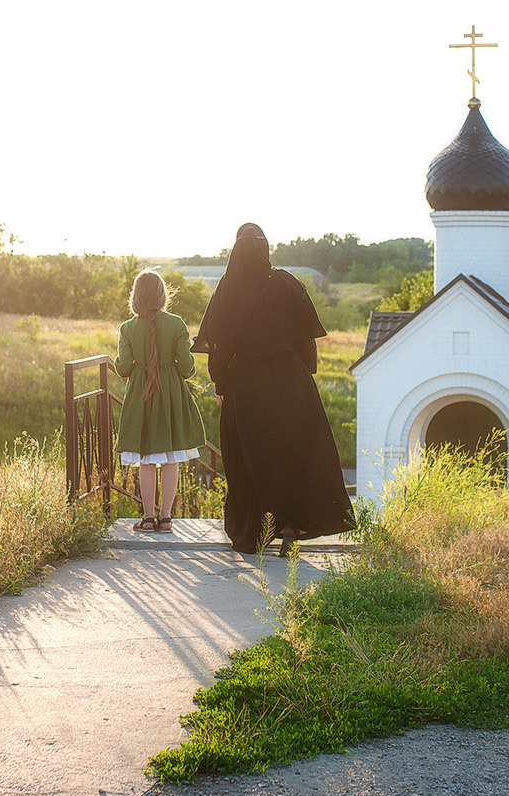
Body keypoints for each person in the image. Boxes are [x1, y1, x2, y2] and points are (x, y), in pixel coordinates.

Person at [192, 223, 355, 554]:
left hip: (244, 386)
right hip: (290, 384)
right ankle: (292, 525)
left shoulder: (227, 287)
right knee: (293, 453)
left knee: (251, 458)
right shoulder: (286, 283)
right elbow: (306, 341)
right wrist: (303, 376)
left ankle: (257, 531)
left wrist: (221, 384)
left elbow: (217, 342)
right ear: (266, 250)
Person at [113, 269, 206, 532]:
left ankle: (147, 518)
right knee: (170, 458)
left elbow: (123, 368)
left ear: (136, 298)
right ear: (162, 295)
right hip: (170, 396)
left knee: (146, 458)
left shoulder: (127, 328)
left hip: (140, 399)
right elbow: (187, 367)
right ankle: (166, 518)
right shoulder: (176, 323)